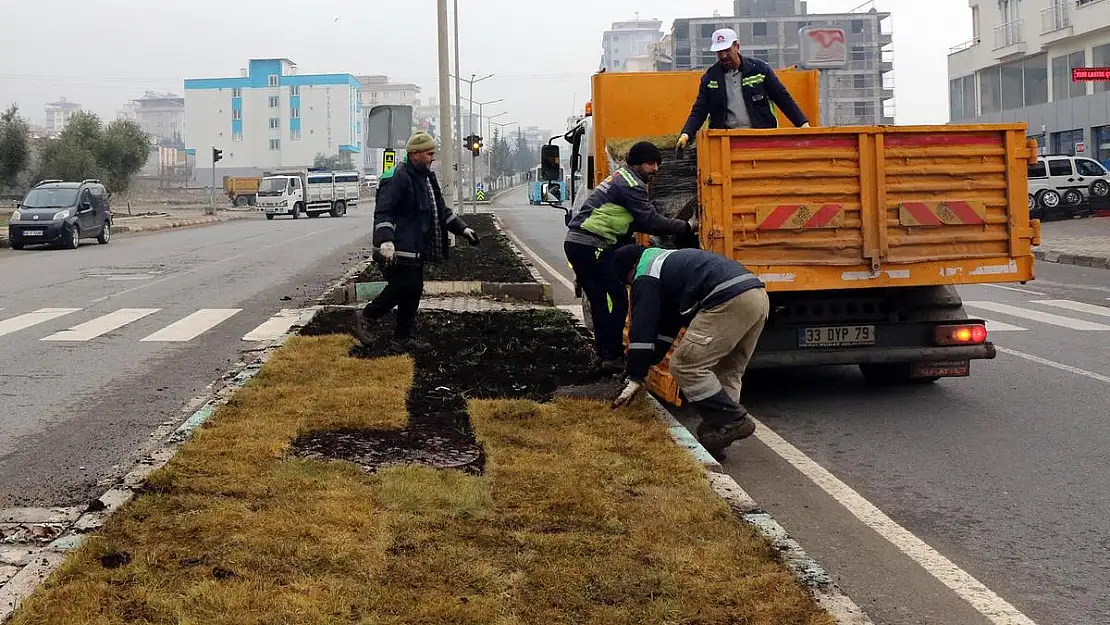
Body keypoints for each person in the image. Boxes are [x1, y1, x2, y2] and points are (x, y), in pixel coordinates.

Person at [609, 244, 769, 455]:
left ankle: (732, 419)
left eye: (629, 283)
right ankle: (719, 432)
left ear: (630, 272)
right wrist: (650, 360)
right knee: (726, 370)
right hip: (756, 296)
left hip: (726, 300)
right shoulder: (668, 264)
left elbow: (642, 329)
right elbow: (669, 325)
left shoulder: (645, 275)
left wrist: (635, 375)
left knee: (685, 365)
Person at [564, 141, 697, 373]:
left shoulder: (622, 178)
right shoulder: (630, 184)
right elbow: (648, 220)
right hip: (591, 245)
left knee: (599, 301)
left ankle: (604, 355)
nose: (655, 169)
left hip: (581, 244)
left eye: (657, 163)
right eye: (650, 163)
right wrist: (685, 226)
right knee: (615, 300)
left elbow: (633, 220)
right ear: (637, 163)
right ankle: (612, 356)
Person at [353, 131, 480, 350]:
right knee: (404, 286)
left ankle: (401, 339)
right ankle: (366, 316)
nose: (433, 158)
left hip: (415, 248)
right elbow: (384, 213)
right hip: (395, 249)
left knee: (413, 290)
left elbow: (440, 210)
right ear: (415, 154)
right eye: (429, 153)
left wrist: (463, 229)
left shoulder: (426, 176)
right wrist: (386, 242)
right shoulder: (397, 177)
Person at [677, 27, 810, 150]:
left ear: (737, 47)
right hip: (725, 142)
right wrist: (686, 134)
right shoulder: (711, 77)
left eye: (727, 50)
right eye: (719, 52)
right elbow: (699, 110)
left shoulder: (759, 70)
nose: (723, 56)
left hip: (762, 137)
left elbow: (783, 98)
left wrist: (803, 124)